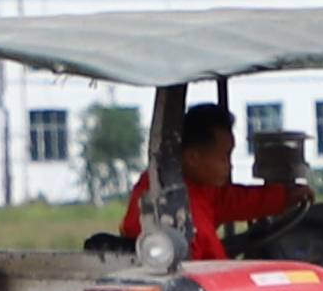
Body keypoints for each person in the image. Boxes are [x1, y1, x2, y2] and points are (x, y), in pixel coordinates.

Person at [116, 100, 310, 254]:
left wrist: (284, 196)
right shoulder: (175, 210)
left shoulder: (194, 188)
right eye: (224, 157)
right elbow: (214, 263)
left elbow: (233, 200)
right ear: (193, 157)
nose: (229, 165)